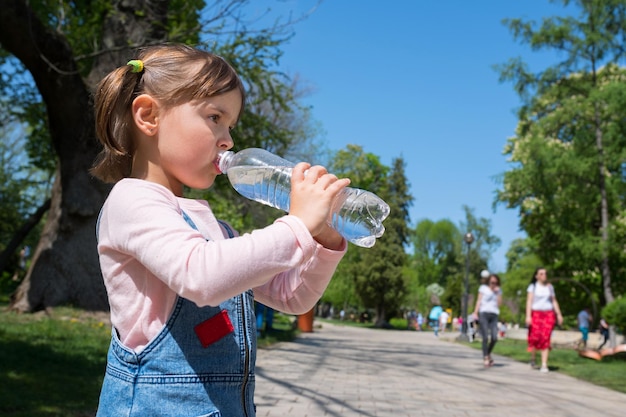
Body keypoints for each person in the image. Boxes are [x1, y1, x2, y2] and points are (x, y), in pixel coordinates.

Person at [91, 44, 351, 417]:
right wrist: (296, 225)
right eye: (215, 117)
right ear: (149, 115)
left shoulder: (214, 229)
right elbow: (202, 275)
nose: (228, 139)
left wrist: (322, 239)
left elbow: (291, 297)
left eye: (230, 125)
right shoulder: (131, 201)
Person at [526, 267, 563, 373]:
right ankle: (533, 358)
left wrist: (559, 314)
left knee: (545, 338)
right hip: (536, 314)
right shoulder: (532, 287)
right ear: (536, 276)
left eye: (545, 273)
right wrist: (528, 316)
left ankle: (544, 364)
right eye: (541, 274)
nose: (544, 275)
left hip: (548, 314)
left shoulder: (550, 287)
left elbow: (554, 301)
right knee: (535, 337)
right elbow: (529, 301)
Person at [472, 273, 502, 367]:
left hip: (494, 314)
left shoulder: (498, 290)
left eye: (495, 283)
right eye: (492, 282)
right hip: (484, 313)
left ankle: (488, 353)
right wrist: (475, 312)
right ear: (489, 281)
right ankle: (485, 357)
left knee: (494, 337)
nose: (493, 284)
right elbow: (479, 300)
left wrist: (497, 293)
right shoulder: (483, 288)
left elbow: (499, 303)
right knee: (485, 337)